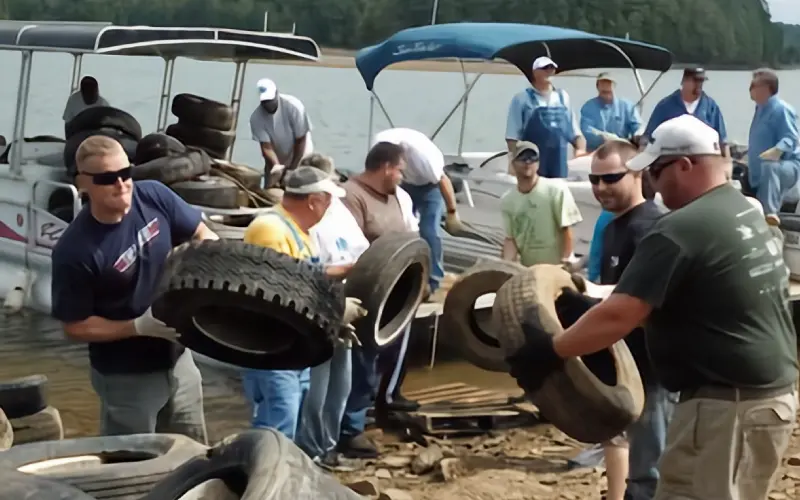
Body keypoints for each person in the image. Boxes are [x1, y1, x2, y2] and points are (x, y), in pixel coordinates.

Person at [507, 115, 798, 500]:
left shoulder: (681, 228)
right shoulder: (745, 210)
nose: (652, 184)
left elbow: (622, 314)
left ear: (685, 165)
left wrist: (549, 352)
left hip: (728, 409)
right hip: (768, 399)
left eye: (656, 172)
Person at [51, 135, 219, 443]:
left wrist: (210, 263)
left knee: (193, 449)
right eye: (107, 178)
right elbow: (74, 326)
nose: (121, 184)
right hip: (126, 375)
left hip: (179, 358)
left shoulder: (154, 195)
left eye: (126, 173)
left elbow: (201, 232)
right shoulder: (74, 251)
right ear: (83, 183)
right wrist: (139, 327)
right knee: (133, 460)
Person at [241, 166, 365, 442]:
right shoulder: (270, 229)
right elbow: (278, 291)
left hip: (295, 344)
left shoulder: (298, 230)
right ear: (314, 201)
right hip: (271, 345)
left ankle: (285, 474)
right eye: (328, 200)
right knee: (278, 418)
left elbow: (304, 275)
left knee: (293, 415)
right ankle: (260, 475)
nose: (331, 206)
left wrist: (345, 272)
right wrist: (333, 311)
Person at [585, 141, 675, 500]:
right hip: (623, 367)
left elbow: (647, 302)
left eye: (611, 178)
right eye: (594, 179)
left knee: (652, 469)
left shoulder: (654, 227)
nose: (601, 187)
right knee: (631, 461)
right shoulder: (611, 229)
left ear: (637, 172)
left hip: (654, 372)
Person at [338, 141, 420, 459]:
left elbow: (412, 235)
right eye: (400, 169)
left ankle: (381, 407)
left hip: (400, 291)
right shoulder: (352, 197)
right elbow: (352, 248)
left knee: (393, 355)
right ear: (386, 167)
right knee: (362, 363)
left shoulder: (400, 196)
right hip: (366, 294)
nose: (402, 175)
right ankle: (351, 430)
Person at [294, 154, 371, 470]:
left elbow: (364, 252)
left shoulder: (339, 212)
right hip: (317, 312)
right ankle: (311, 451)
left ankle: (328, 447)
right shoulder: (302, 223)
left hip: (346, 307)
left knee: (341, 385)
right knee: (316, 388)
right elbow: (306, 272)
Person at [372, 127, 464, 293]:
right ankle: (400, 274)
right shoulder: (379, 142)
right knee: (398, 230)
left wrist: (452, 212)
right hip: (402, 184)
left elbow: (443, 181)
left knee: (430, 231)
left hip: (430, 187)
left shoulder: (424, 157)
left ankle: (433, 280)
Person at [500, 141, 583, 266]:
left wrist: (565, 263)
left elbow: (567, 231)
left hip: (556, 268)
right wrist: (506, 265)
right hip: (529, 269)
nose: (528, 162)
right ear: (513, 163)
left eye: (532, 158)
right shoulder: (507, 199)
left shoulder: (557, 190)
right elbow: (511, 239)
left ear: (538, 164)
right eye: (522, 158)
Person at [505, 56, 587, 178]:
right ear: (534, 72)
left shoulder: (563, 97)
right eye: (544, 68)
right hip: (531, 163)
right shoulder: (521, 98)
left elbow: (575, 133)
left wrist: (580, 151)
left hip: (559, 165)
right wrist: (517, 164)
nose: (549, 71)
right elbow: (512, 137)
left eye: (552, 68)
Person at [746, 68, 800, 225]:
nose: (750, 88)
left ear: (765, 89)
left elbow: (791, 138)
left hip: (787, 166)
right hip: (759, 170)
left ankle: (770, 213)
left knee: (769, 167)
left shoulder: (781, 109)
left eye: (753, 85)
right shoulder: (760, 108)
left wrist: (778, 150)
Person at [642, 68, 729, 157]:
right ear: (684, 81)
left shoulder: (710, 106)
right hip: (671, 158)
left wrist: (727, 162)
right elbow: (648, 138)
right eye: (696, 81)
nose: (699, 85)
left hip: (702, 159)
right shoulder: (665, 105)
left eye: (701, 81)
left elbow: (722, 141)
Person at [249, 78, 313, 179]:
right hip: (277, 160)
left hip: (301, 156)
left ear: (277, 93)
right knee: (271, 188)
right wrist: (276, 165)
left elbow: (301, 139)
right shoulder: (256, 118)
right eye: (265, 101)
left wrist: (293, 168)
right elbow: (266, 146)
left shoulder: (293, 106)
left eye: (270, 100)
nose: (268, 104)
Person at [580, 73, 642, 152]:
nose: (606, 85)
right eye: (603, 82)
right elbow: (586, 130)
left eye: (609, 82)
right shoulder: (588, 107)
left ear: (614, 86)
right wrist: (603, 137)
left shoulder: (627, 106)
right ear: (597, 86)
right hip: (596, 152)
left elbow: (638, 126)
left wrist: (638, 135)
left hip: (622, 150)